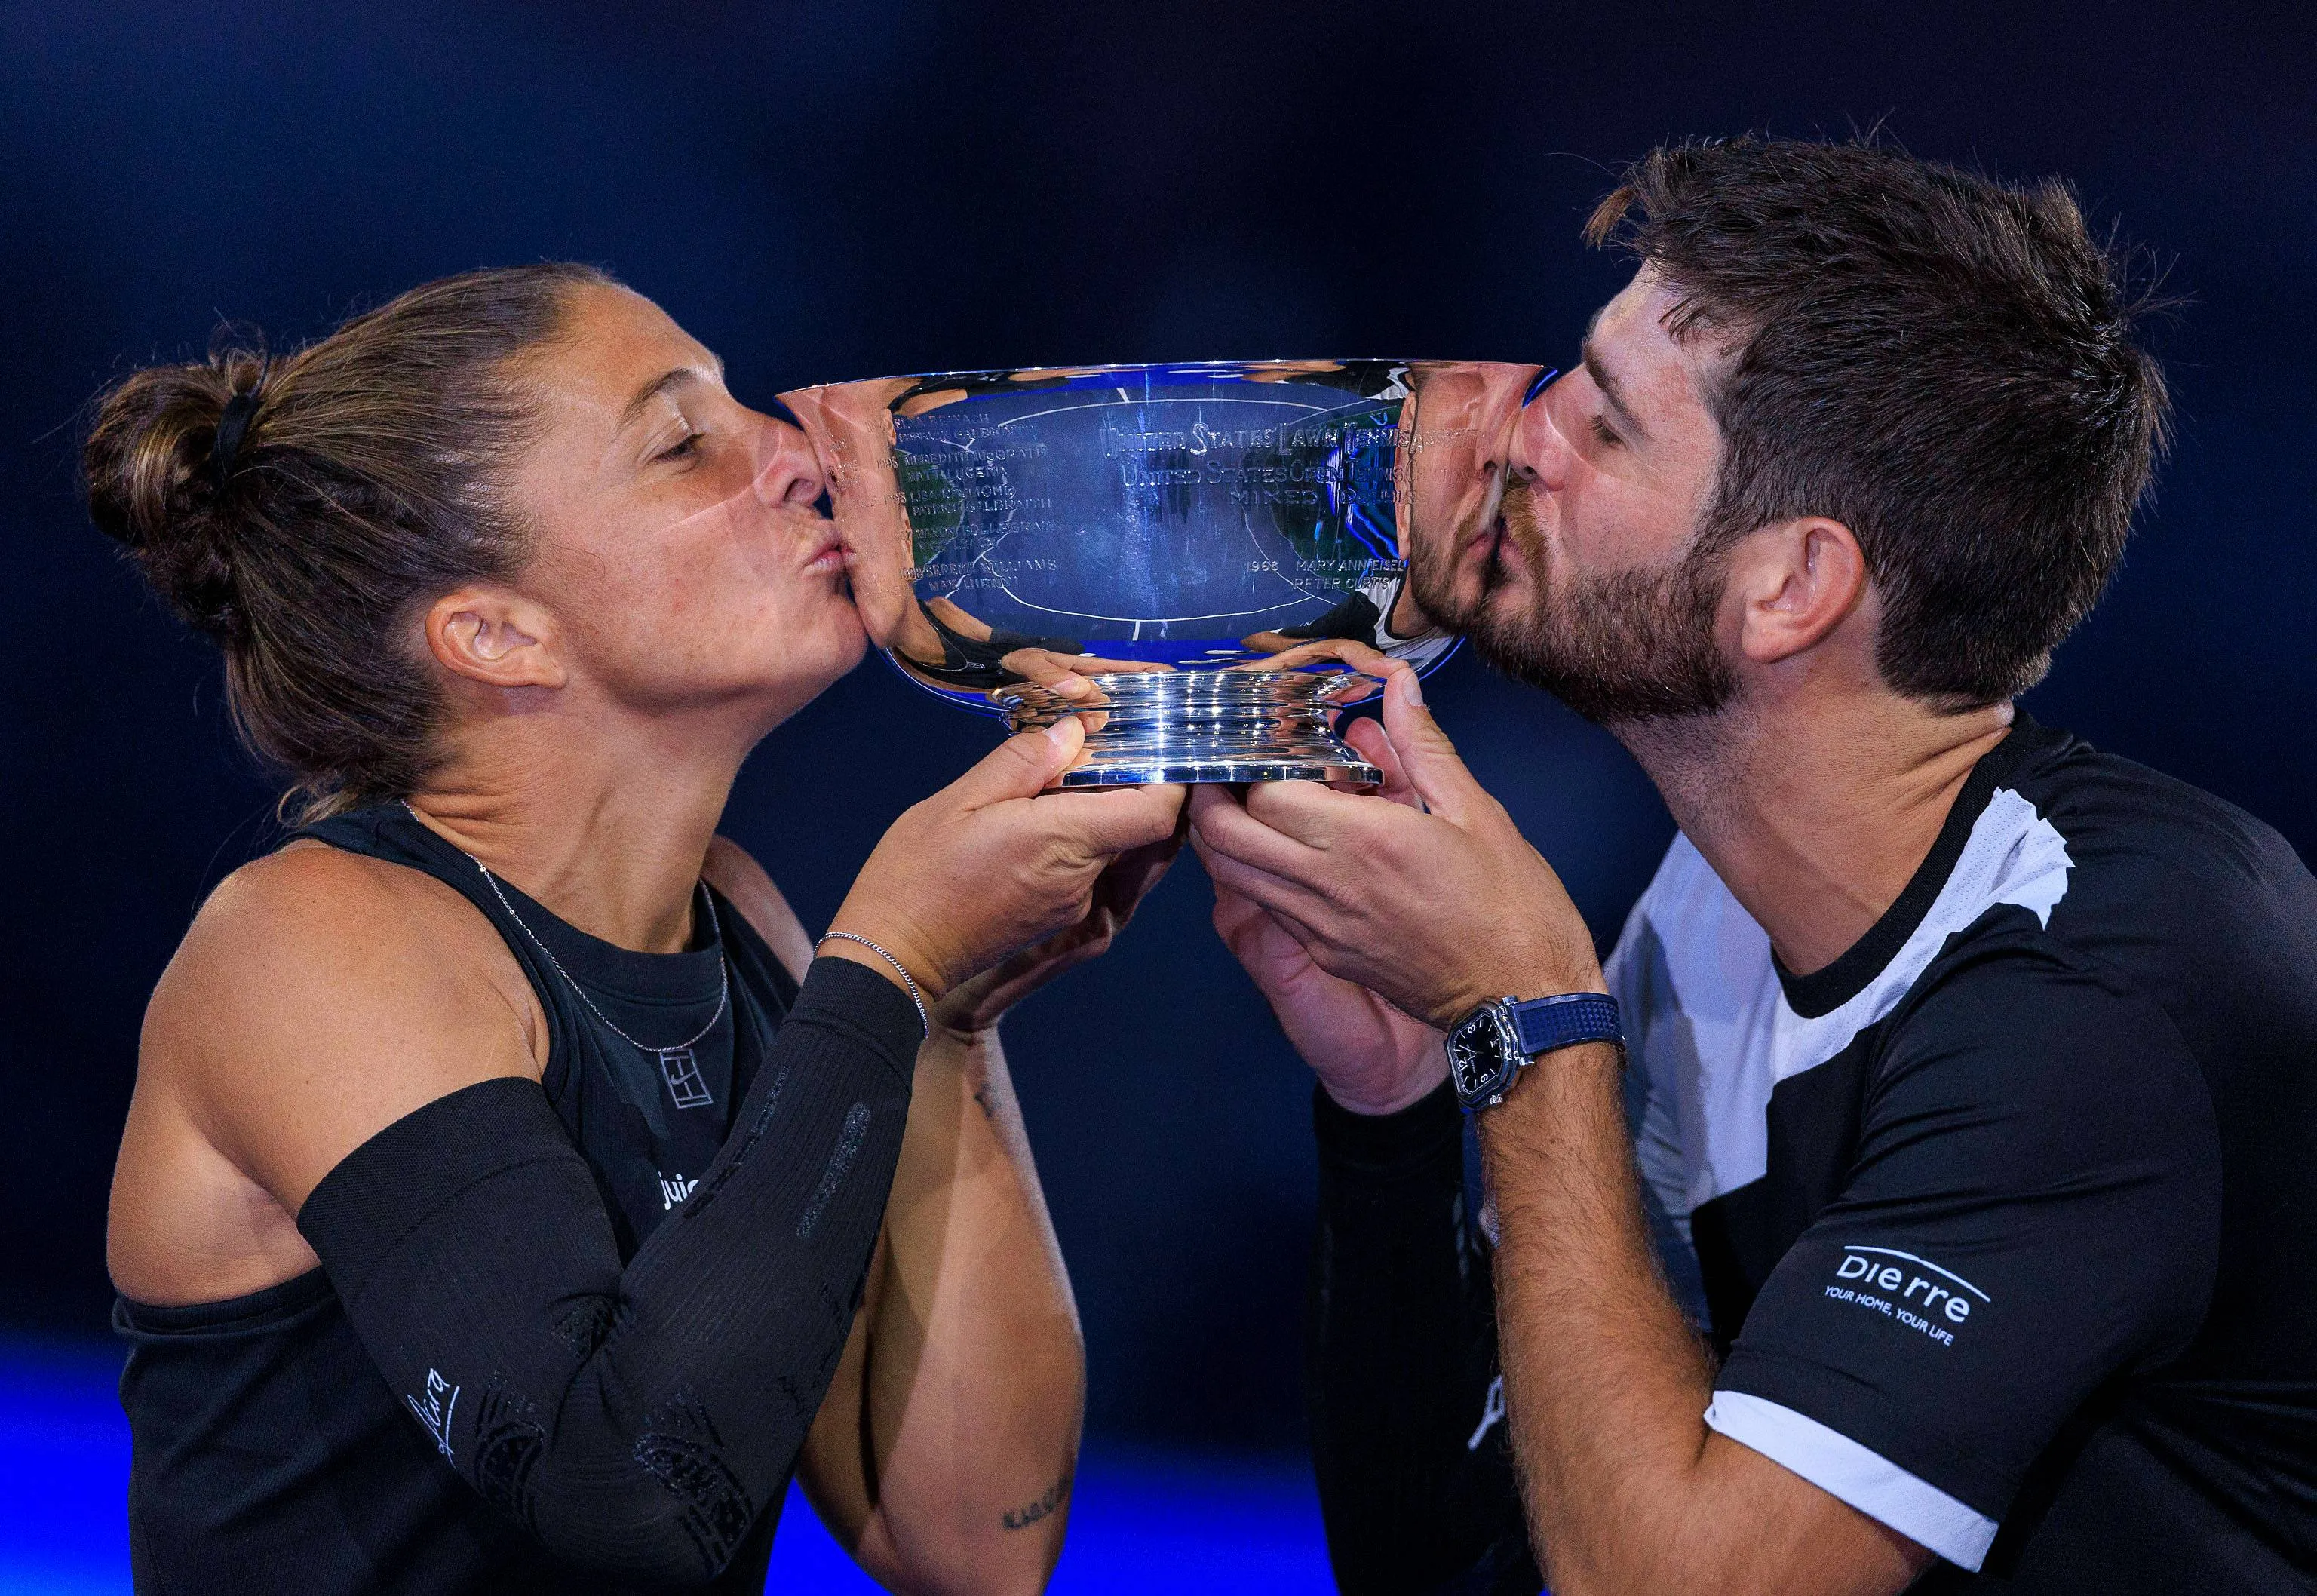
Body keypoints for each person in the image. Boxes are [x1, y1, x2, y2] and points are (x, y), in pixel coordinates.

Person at [1191, 137, 2317, 1593]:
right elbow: (1460, 1563)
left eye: (1607, 430)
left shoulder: (2105, 988)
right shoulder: (1716, 911)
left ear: (1792, 587)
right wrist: (1402, 1096)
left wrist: (1528, 1018)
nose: (1524, 436)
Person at [87, 263, 1185, 1594]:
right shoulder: (310, 941)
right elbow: (618, 1494)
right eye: (681, 443)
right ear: (497, 634)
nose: (791, 452)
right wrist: (887, 969)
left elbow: (971, 1547)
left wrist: (942, 1025)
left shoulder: (739, 921)